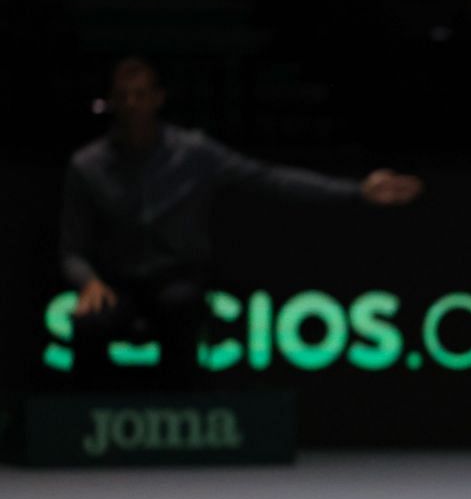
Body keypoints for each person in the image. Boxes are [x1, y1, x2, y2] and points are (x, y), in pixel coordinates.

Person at [59, 58, 423, 386]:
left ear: (158, 98)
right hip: (115, 284)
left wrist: (357, 190)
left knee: (182, 305)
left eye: (140, 96)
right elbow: (72, 249)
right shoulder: (86, 166)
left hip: (177, 279)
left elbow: (270, 178)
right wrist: (88, 282)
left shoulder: (193, 153)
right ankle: (86, 421)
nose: (132, 105)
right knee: (91, 320)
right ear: (111, 101)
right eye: (123, 97)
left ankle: (182, 416)